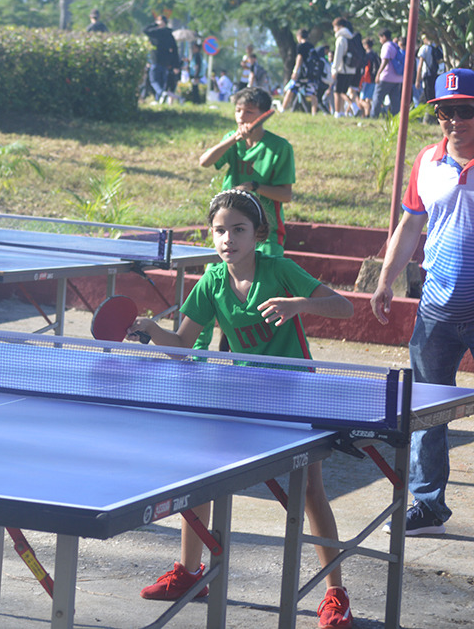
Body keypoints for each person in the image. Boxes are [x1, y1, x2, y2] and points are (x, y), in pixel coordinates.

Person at [130, 189, 355, 629]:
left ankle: (335, 595)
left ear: (257, 234)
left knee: (309, 491)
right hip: (241, 393)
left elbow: (343, 306)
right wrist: (151, 329)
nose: (228, 238)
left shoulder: (279, 269)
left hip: (294, 393)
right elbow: (182, 345)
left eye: (238, 229)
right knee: (203, 479)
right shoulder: (212, 281)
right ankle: (191, 574)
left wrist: (300, 304)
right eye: (220, 230)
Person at [370, 68, 474, 537]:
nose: (454, 120)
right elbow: (410, 226)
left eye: (465, 110)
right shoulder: (426, 163)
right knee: (428, 411)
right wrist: (387, 278)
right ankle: (428, 504)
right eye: (445, 112)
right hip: (435, 309)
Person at [199, 87, 293, 257]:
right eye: (238, 110)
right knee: (215, 274)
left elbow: (285, 195)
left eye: (249, 112)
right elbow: (205, 162)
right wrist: (233, 139)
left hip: (264, 231)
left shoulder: (280, 147)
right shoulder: (232, 140)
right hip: (229, 225)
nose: (241, 117)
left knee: (265, 273)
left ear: (264, 115)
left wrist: (254, 187)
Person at [280, 30, 320, 114]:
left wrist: (295, 71)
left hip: (302, 74)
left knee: (291, 90)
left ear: (299, 36)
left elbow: (299, 58)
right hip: (310, 74)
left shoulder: (301, 46)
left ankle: (283, 109)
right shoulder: (311, 46)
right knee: (313, 93)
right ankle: (314, 113)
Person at [143, 15, 179, 103]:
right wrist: (176, 65)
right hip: (166, 63)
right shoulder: (169, 34)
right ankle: (159, 100)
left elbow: (145, 30)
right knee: (162, 82)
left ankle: (161, 93)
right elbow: (175, 51)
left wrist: (154, 24)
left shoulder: (156, 32)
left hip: (156, 61)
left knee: (154, 81)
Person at [330, 18, 360, 117]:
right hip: (351, 69)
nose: (334, 29)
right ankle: (343, 111)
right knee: (343, 91)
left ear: (339, 26)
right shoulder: (351, 38)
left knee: (337, 92)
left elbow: (338, 56)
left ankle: (338, 112)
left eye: (334, 27)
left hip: (342, 69)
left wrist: (334, 69)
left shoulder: (341, 39)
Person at [371, 28, 404, 118]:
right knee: (395, 100)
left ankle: (374, 116)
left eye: (380, 38)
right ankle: (396, 118)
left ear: (384, 37)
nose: (380, 40)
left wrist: (378, 74)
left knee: (377, 97)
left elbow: (385, 61)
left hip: (386, 77)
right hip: (397, 78)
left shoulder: (386, 46)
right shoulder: (395, 46)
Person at [356, 37, 381, 119]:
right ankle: (366, 115)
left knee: (361, 100)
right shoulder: (375, 54)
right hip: (374, 79)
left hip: (367, 79)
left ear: (366, 45)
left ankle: (366, 114)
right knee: (368, 99)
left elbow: (365, 69)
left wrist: (361, 80)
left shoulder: (367, 55)